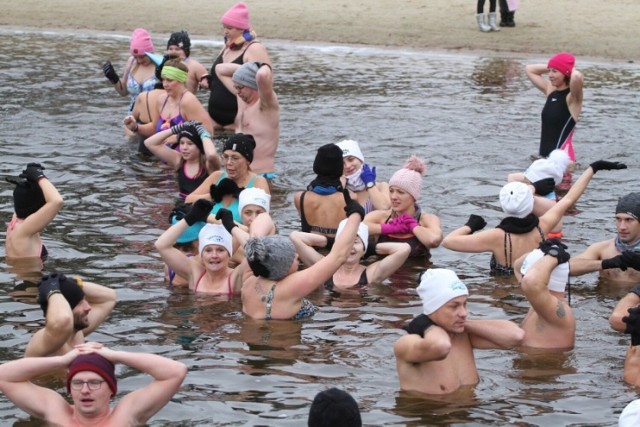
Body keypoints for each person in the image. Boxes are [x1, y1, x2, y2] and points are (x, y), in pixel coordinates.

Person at [442, 160, 627, 275]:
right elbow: (570, 197)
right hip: (534, 288)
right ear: (532, 203)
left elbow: (448, 242)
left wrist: (470, 226)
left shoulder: (495, 236)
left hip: (502, 294)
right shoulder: (543, 226)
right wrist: (593, 168)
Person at [394, 268, 524, 395]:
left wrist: (464, 324)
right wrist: (426, 324)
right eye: (454, 306)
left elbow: (515, 336)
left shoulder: (463, 335)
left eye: (464, 304)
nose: (464, 313)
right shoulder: (408, 343)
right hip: (432, 413)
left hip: (471, 411)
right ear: (433, 307)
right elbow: (441, 347)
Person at [241, 190, 365, 320]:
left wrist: (255, 241)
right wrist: (355, 215)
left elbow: (264, 218)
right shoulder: (289, 288)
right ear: (282, 267)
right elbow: (338, 256)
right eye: (292, 257)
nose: (297, 257)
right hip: (282, 338)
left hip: (256, 337)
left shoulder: (249, 279)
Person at [0, 342, 187, 426]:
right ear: (70, 390)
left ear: (111, 390)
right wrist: (62, 361)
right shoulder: (56, 412)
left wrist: (114, 356)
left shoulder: (126, 416)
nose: (85, 390)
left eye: (95, 383)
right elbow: (4, 375)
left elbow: (175, 371)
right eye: (78, 383)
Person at [290, 218, 410, 292]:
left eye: (356, 242)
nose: (350, 247)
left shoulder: (372, 274)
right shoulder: (324, 267)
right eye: (347, 242)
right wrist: (336, 245)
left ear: (364, 248)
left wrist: (368, 248)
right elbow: (295, 237)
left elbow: (404, 249)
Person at [155, 199, 244, 295]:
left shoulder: (237, 277)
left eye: (220, 250)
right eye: (208, 250)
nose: (214, 255)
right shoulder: (195, 274)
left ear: (230, 252)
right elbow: (161, 245)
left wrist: (231, 227)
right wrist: (190, 218)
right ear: (201, 253)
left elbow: (260, 251)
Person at [207, 1, 272, 131]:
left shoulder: (254, 49)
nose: (225, 32)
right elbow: (217, 79)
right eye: (224, 27)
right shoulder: (227, 46)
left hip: (239, 121)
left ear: (241, 28)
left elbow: (264, 86)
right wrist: (207, 79)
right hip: (215, 119)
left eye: (229, 28)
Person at [364, 155, 442, 258]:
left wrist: (412, 225)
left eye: (400, 192)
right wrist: (391, 228)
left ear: (414, 197)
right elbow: (358, 230)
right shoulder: (379, 217)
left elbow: (433, 241)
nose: (393, 197)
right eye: (391, 191)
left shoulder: (427, 219)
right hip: (383, 273)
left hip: (416, 272)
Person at [24, 273, 117, 357]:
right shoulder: (48, 340)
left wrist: (75, 283)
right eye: (79, 303)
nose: (88, 307)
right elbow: (63, 320)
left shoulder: (76, 332)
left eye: (85, 300)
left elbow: (109, 297)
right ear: (67, 308)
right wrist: (52, 291)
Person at [124, 59, 214, 144]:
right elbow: (155, 129)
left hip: (184, 157)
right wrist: (136, 127)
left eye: (170, 80)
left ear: (181, 80)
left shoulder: (188, 101)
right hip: (163, 156)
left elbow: (209, 132)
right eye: (163, 79)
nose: (165, 84)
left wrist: (179, 137)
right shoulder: (161, 100)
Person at [185, 133, 270, 222]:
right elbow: (188, 201)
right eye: (225, 157)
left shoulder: (258, 182)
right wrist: (215, 195)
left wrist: (241, 195)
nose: (229, 162)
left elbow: (264, 222)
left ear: (248, 161)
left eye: (235, 158)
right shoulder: (217, 176)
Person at [514, 240, 575, 349]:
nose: (520, 282)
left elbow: (531, 283)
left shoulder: (554, 310)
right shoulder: (541, 307)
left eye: (524, 276)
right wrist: (541, 252)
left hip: (544, 366)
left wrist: (553, 255)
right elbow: (517, 265)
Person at [526, 52, 584, 161]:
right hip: (544, 159)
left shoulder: (572, 98)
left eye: (555, 71)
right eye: (550, 70)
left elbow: (576, 77)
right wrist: (554, 66)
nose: (550, 75)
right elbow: (529, 69)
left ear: (566, 73)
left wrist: (568, 68)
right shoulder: (551, 90)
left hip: (563, 162)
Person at [507, 149, 571, 238]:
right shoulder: (544, 195)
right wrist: (531, 180)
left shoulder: (546, 203)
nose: (525, 182)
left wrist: (533, 186)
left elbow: (520, 197)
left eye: (528, 180)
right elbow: (511, 177)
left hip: (547, 240)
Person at [144, 121, 219, 197]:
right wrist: (175, 129)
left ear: (200, 146)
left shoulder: (208, 165)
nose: (184, 148)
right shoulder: (179, 160)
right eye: (182, 143)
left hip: (203, 206)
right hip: (182, 205)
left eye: (190, 144)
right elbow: (149, 143)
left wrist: (204, 134)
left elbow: (212, 155)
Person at [5, 163, 63, 261]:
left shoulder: (16, 221)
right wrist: (40, 177)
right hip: (31, 275)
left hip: (21, 274)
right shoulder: (25, 229)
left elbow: (26, 197)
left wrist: (32, 179)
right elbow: (57, 201)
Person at [294, 143, 348, 238]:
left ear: (316, 165)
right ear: (340, 168)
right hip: (338, 249)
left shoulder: (300, 198)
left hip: (309, 248)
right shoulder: (349, 198)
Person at [102, 28, 157, 112]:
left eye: (142, 56)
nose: (139, 60)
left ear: (150, 52)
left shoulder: (160, 65)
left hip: (153, 119)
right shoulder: (131, 62)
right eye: (136, 56)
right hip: (132, 119)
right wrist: (114, 78)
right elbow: (123, 92)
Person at [336, 139, 390, 214]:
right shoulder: (337, 190)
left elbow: (385, 209)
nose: (347, 166)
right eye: (342, 163)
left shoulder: (382, 186)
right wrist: (340, 188)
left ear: (360, 159)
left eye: (351, 159)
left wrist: (370, 185)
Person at [166, 30, 209, 94]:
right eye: (170, 49)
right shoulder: (165, 65)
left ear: (186, 51)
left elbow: (210, 82)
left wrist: (205, 82)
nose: (173, 51)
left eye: (177, 49)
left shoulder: (195, 66)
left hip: (187, 101)